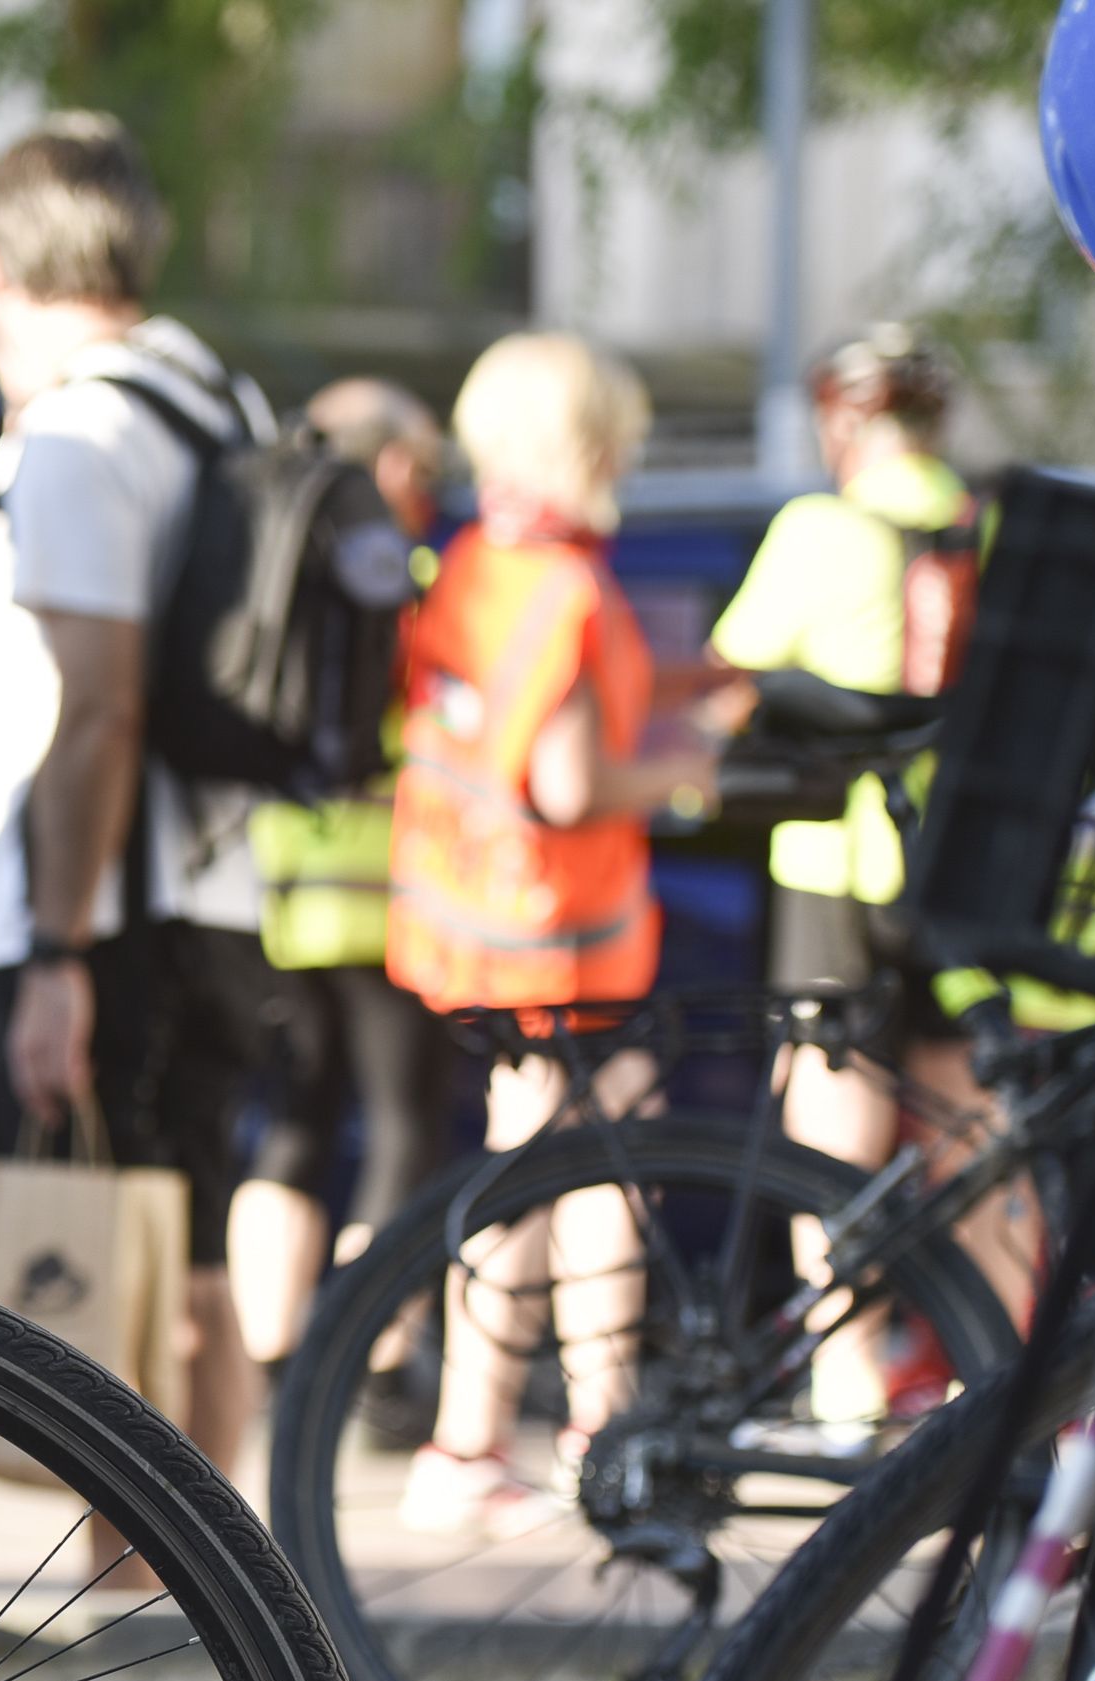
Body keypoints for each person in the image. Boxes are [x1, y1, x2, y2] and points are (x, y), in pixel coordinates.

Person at [0, 112, 282, 1475]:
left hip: (100, 907)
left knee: (100, 1264)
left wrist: (54, 954)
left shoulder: (81, 440)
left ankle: (133, 1594)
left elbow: (96, 709)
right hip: (212, 883)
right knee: (189, 1250)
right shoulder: (215, 399)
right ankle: (225, 1602)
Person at [390, 331, 720, 1532]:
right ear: (582, 443)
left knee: (562, 1179)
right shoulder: (574, 585)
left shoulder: (480, 563)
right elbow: (575, 782)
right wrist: (686, 770)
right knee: (568, 1182)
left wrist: (689, 684)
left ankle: (570, 1427)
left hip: (481, 922)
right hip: (568, 939)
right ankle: (496, 1442)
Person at [709, 324, 1032, 1418]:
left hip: (834, 866)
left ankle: (847, 1391)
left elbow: (735, 679)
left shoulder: (819, 527)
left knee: (833, 1133)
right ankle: (998, 1389)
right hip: (965, 866)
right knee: (970, 1124)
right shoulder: (987, 530)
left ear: (843, 420)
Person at [231, 377, 456, 1398]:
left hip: (273, 886)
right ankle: (370, 1364)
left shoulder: (270, 548)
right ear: (397, 463)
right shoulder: (400, 573)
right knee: (401, 1123)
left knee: (291, 1121)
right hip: (381, 893)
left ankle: (272, 1359)